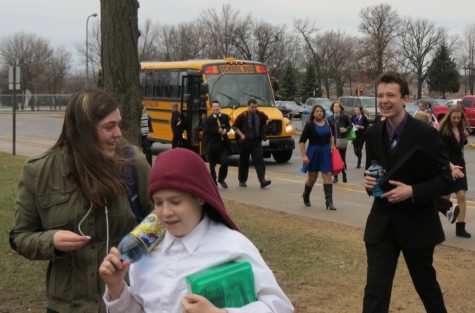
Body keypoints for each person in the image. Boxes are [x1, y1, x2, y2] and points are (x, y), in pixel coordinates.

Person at [9, 88, 153, 313]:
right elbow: (20, 237)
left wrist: (134, 248)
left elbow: (160, 222)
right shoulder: (39, 172)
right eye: (109, 127)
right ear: (82, 131)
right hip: (68, 305)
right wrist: (51, 240)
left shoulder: (133, 164)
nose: (118, 133)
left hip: (124, 301)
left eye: (118, 124)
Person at [99, 148, 294, 313]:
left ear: (200, 197)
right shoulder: (146, 253)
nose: (165, 212)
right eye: (158, 202)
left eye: (176, 202)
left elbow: (279, 307)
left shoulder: (232, 246)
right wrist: (117, 288)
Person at [362, 72, 452, 313]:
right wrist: (369, 184)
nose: (384, 100)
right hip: (382, 226)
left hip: (418, 225)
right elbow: (372, 171)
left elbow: (446, 180)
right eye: (380, 95)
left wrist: (412, 191)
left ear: (405, 99)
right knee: (375, 291)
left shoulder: (425, 134)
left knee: (426, 287)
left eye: (390, 95)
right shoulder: (372, 133)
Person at [414, 111, 461, 224]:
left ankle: (446, 209)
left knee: (422, 196)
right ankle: (447, 209)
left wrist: (450, 166)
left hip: (421, 174)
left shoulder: (425, 136)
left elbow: (439, 154)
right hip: (418, 174)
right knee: (422, 196)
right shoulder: (421, 135)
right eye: (430, 123)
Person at [438, 105, 471, 238]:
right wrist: (450, 167)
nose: (456, 120)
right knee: (444, 197)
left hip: (460, 165)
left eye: (459, 117)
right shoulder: (443, 130)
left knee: (461, 195)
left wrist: (464, 138)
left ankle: (460, 228)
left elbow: (458, 146)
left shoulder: (461, 128)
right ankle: (436, 225)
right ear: (449, 116)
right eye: (454, 117)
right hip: (447, 165)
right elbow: (442, 152)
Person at [299, 104, 336, 209]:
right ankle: (306, 195)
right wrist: (304, 156)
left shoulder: (328, 123)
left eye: (321, 111)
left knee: (327, 175)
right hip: (313, 152)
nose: (320, 113)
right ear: (313, 113)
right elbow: (302, 141)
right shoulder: (310, 125)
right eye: (317, 111)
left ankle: (329, 201)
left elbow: (331, 136)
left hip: (325, 152)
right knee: (312, 178)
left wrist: (332, 146)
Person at [232, 98, 272, 188]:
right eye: (252, 107)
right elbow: (234, 127)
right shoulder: (243, 115)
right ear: (248, 107)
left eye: (255, 107)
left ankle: (262, 180)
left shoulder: (260, 114)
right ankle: (242, 180)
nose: (254, 109)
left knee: (259, 160)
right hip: (245, 143)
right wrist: (241, 135)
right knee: (244, 161)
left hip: (256, 142)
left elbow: (266, 119)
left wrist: (266, 124)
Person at [203, 100, 231, 188]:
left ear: (220, 107)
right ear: (211, 108)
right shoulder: (208, 119)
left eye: (217, 106)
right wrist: (217, 130)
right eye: (214, 107)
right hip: (212, 145)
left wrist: (226, 130)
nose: (216, 108)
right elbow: (206, 130)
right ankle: (213, 182)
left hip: (223, 145)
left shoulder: (225, 117)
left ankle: (221, 179)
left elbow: (228, 126)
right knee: (212, 165)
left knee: (225, 162)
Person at [327, 101, 352, 183]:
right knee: (334, 159)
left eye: (337, 106)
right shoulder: (330, 118)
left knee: (342, 159)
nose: (336, 108)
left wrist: (346, 129)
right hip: (334, 141)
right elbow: (329, 130)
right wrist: (331, 142)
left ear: (340, 108)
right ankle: (336, 177)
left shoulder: (344, 117)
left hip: (342, 140)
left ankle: (344, 176)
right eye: (334, 106)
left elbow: (350, 125)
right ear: (332, 108)